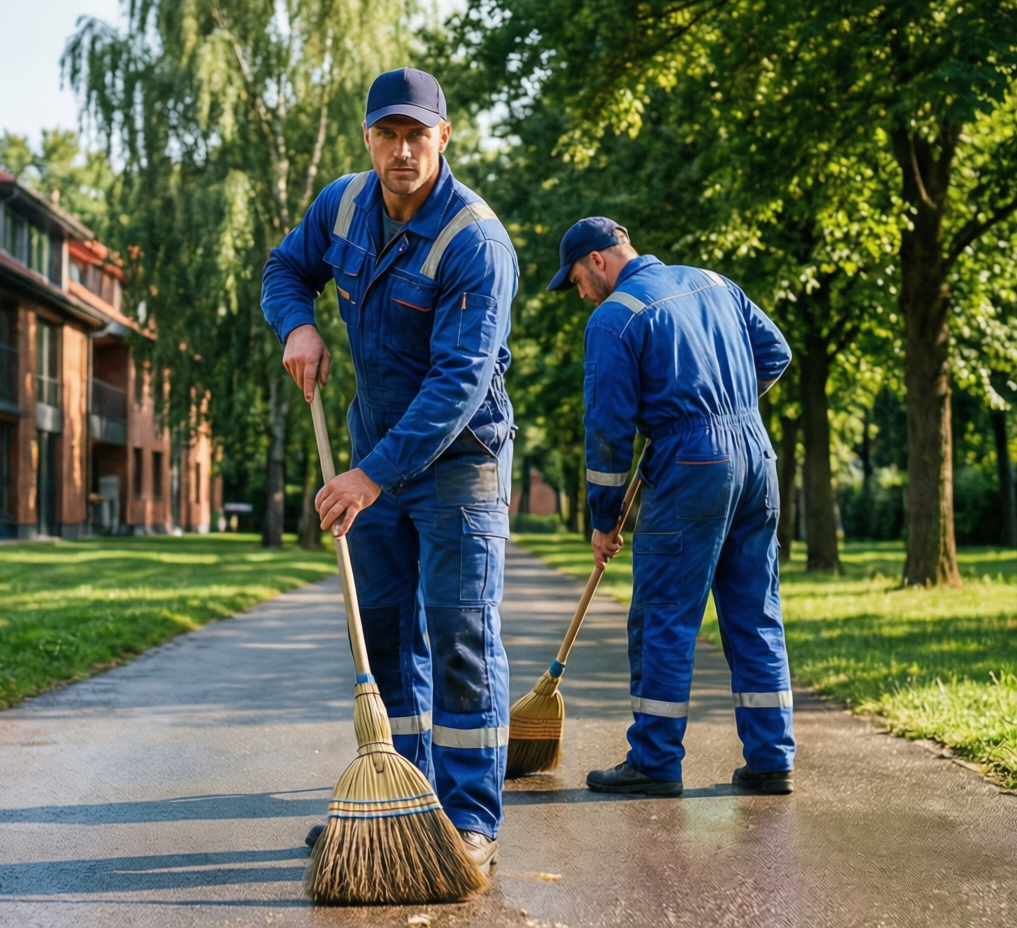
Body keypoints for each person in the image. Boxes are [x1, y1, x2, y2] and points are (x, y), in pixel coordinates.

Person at [261, 67, 518, 873]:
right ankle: (402, 806)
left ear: (444, 137)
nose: (402, 151)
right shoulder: (341, 205)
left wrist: (369, 476)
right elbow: (284, 268)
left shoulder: (475, 241)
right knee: (382, 634)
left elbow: (457, 383)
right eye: (387, 134)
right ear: (368, 137)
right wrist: (297, 324)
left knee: (460, 634)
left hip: (459, 462)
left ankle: (469, 820)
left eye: (417, 135)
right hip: (374, 451)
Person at [549, 217, 797, 797]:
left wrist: (604, 519)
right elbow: (776, 352)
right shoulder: (715, 281)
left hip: (691, 466)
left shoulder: (614, 318)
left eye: (577, 279)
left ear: (598, 260)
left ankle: (655, 761)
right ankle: (771, 759)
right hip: (755, 454)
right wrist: (726, 402)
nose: (580, 294)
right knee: (755, 611)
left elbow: (607, 431)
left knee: (663, 614)